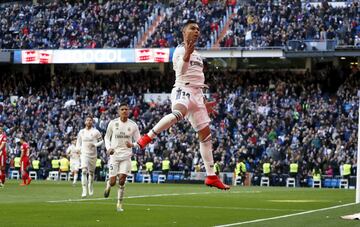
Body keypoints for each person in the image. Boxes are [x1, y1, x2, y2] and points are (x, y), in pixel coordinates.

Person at [136, 20, 230, 190]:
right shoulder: (180, 50)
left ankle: (211, 176)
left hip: (197, 95)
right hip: (183, 90)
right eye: (192, 28)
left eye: (198, 29)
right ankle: (148, 137)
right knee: (178, 113)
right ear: (184, 32)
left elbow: (197, 77)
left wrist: (203, 101)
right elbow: (181, 72)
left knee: (206, 137)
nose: (196, 31)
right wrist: (187, 54)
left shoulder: (197, 54)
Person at [104, 103, 141, 212]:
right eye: (122, 109)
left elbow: (139, 141)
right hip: (114, 156)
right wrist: (108, 148)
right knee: (113, 182)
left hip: (126, 156)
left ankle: (119, 204)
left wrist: (133, 145)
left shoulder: (133, 125)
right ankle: (108, 185)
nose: (124, 111)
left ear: (129, 111)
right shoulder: (113, 123)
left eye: (126, 109)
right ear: (119, 111)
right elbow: (106, 137)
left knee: (122, 180)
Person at [76, 116, 104, 198]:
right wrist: (78, 149)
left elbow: (101, 141)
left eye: (90, 120)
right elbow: (78, 142)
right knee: (84, 171)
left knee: (91, 173)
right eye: (87, 120)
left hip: (93, 154)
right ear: (85, 122)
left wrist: (95, 145)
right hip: (84, 153)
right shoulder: (81, 132)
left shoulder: (96, 132)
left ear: (92, 122)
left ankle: (90, 186)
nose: (88, 122)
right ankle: (84, 190)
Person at [0, 123, 7, 187]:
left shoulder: (4, 136)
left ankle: (2, 181)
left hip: (2, 153)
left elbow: (3, 145)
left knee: (2, 167)